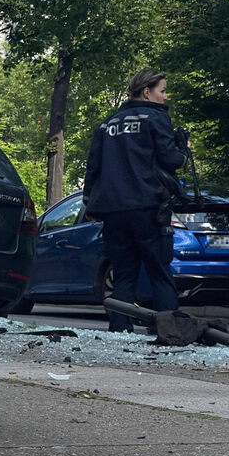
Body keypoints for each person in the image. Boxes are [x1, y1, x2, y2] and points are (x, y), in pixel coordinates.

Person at [83, 69, 189, 332]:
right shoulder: (155, 118)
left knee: (123, 273)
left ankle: (120, 330)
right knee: (159, 272)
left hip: (113, 211)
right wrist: (184, 152)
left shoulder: (107, 124)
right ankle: (169, 330)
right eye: (162, 91)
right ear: (147, 92)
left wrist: (89, 202)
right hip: (148, 207)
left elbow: (93, 167)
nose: (165, 97)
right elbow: (170, 159)